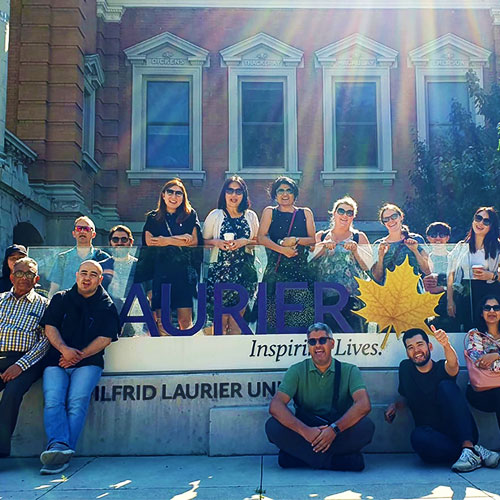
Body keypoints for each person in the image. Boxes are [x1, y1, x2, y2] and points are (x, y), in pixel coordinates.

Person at [39, 260, 120, 474]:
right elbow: (50, 327)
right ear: (76, 275)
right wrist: (65, 350)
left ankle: (60, 453)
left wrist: (78, 355)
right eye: (84, 273)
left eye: (93, 274)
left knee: (77, 401)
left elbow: (105, 338)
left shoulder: (107, 304)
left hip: (89, 363)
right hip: (56, 361)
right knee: (53, 400)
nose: (87, 277)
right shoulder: (61, 298)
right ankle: (59, 447)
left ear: (100, 279)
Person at [385, 327, 499, 472]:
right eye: (411, 347)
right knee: (417, 437)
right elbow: (405, 395)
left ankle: (468, 446)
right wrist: (394, 406)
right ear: (407, 353)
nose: (416, 350)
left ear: (430, 346)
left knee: (447, 386)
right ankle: (474, 452)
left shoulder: (441, 368)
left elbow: (453, 365)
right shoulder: (405, 368)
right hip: (433, 437)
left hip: (462, 431)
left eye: (420, 344)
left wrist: (446, 344)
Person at [265, 322, 374, 470]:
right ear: (308, 345)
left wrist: (333, 430)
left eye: (322, 340)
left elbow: (364, 404)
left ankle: (301, 458)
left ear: (332, 343)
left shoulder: (350, 370)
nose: (318, 345)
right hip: (306, 432)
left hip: (337, 431)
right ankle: (336, 462)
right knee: (272, 426)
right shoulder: (296, 370)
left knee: (366, 427)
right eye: (312, 341)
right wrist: (306, 432)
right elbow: (276, 406)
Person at [0, 257, 49, 457]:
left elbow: (45, 342)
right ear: (12, 276)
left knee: (12, 394)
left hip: (27, 361)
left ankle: (1, 451)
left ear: (36, 279)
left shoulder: (45, 304)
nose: (24, 278)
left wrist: (20, 365)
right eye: (19, 273)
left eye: (29, 274)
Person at [142, 178, 201, 333]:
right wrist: (180, 239)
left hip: (183, 274)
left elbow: (194, 241)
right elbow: (150, 241)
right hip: (160, 273)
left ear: (183, 197)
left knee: (185, 321)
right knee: (162, 322)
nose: (174, 197)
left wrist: (165, 240)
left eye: (179, 193)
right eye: (170, 192)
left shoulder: (190, 215)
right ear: (163, 195)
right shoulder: (153, 217)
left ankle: (185, 354)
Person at [257, 177, 316, 332]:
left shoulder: (305, 213)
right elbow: (261, 237)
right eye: (280, 190)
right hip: (275, 273)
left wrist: (295, 239)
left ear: (294, 194)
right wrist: (282, 249)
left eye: (289, 190)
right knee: (271, 322)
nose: (285, 194)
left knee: (300, 321)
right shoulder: (270, 212)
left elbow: (312, 240)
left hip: (300, 273)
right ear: (275, 195)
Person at [203, 176, 259, 335]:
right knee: (219, 324)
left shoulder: (251, 216)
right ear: (224, 193)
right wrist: (216, 242)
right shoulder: (216, 215)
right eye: (230, 190)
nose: (234, 195)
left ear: (244, 195)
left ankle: (236, 358)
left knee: (237, 323)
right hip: (219, 274)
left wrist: (244, 241)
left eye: (238, 191)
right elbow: (203, 241)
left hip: (244, 274)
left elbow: (258, 240)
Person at [312, 196, 372, 332]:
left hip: (353, 298)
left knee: (355, 337)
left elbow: (368, 266)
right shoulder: (321, 236)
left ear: (353, 217)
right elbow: (309, 260)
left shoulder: (359, 237)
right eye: (341, 211)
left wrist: (356, 250)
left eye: (349, 213)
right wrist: (323, 247)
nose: (345, 215)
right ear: (334, 213)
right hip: (324, 298)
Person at [447, 207, 500, 332]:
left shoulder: (497, 248)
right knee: (468, 330)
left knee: (491, 331)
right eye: (478, 218)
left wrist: (492, 276)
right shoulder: (461, 246)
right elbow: (451, 274)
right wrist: (450, 301)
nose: (480, 223)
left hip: (490, 294)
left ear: (491, 226)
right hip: (466, 293)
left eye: (486, 221)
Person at [48, 216, 111, 298]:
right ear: (74, 233)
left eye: (87, 229)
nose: (82, 231)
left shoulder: (103, 258)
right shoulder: (63, 258)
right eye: (79, 228)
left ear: (94, 234)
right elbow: (54, 288)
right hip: (67, 305)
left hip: (93, 306)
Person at [372, 203, 430, 289]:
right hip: (388, 293)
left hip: (414, 292)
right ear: (383, 223)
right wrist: (381, 256)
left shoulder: (416, 239)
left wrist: (415, 250)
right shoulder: (379, 244)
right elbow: (377, 278)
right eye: (386, 219)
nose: (390, 221)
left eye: (394, 216)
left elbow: (427, 270)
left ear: (401, 217)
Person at [465, 295, 500, 435]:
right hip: (480, 392)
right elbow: (479, 363)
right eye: (487, 308)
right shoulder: (475, 334)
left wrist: (496, 356)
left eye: (496, 307)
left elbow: (488, 363)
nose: (492, 311)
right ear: (481, 312)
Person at [423, 222, 455, 330]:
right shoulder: (424, 260)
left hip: (449, 305)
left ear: (447, 238)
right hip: (426, 307)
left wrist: (443, 288)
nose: (437, 238)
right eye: (433, 235)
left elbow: (461, 285)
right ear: (428, 238)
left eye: (441, 235)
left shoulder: (454, 258)